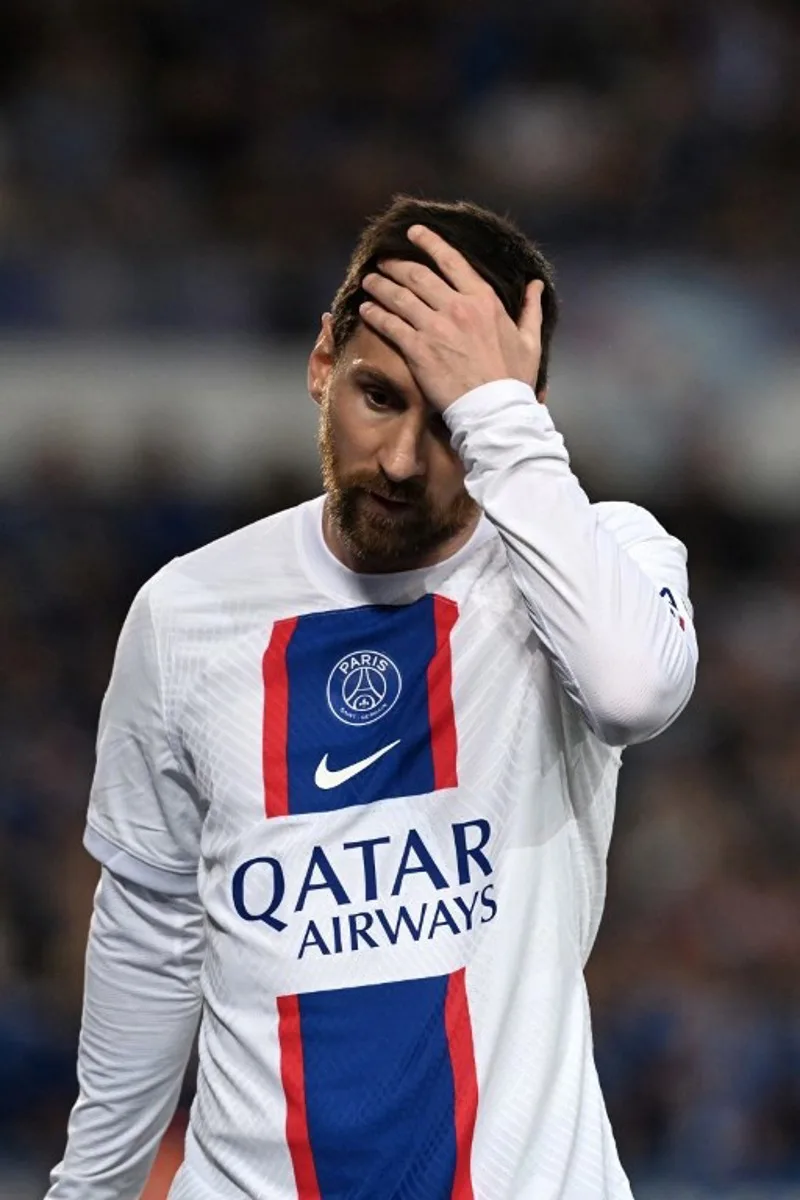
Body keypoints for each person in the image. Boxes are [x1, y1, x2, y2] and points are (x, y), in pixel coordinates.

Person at [47, 196, 697, 1200]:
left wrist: (503, 420)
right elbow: (150, 930)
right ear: (321, 364)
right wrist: (86, 1192)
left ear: (511, 408)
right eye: (377, 398)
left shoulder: (592, 564)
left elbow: (631, 692)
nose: (399, 462)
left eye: (446, 420)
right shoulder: (187, 613)